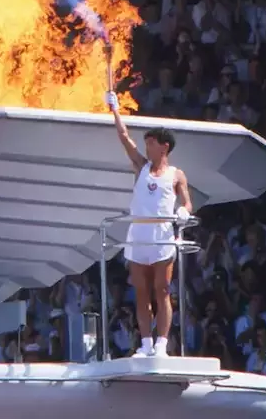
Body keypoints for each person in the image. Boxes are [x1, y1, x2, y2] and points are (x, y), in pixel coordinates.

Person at [107, 90, 193, 357]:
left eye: (151, 143)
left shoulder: (176, 174)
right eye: (146, 144)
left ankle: (162, 344)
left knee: (163, 289)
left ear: (164, 146)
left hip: (162, 234)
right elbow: (124, 138)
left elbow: (188, 203)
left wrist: (184, 213)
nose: (146, 148)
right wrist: (115, 110)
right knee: (141, 293)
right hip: (138, 233)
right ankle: (145, 343)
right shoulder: (141, 167)